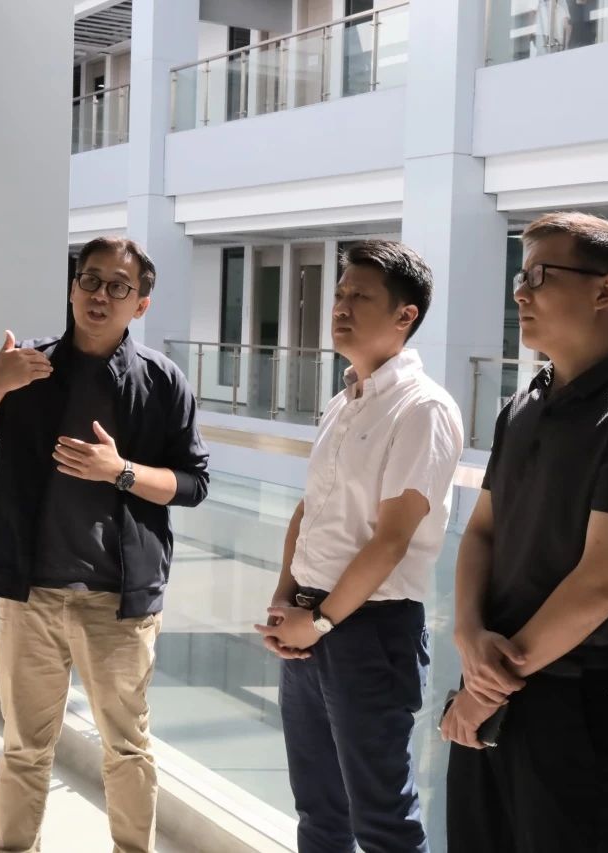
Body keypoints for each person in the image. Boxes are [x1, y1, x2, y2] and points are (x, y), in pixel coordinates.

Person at [0, 236, 209, 853]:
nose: (100, 294)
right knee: (25, 748)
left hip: (120, 601)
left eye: (118, 286)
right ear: (72, 286)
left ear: (140, 304)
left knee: (127, 749)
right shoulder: (25, 368)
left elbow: (193, 484)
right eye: (90, 279)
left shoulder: (162, 381)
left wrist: (122, 472)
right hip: (31, 593)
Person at [440, 212, 608, 852]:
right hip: (491, 680)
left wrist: (486, 686)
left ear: (605, 290)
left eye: (538, 276)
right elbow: (482, 533)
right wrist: (468, 636)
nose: (519, 293)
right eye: (519, 277)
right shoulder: (523, 404)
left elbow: (603, 582)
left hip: (576, 702)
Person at [255, 240, 464, 853]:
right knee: (318, 812)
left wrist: (319, 621)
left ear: (405, 315)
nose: (340, 307)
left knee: (382, 821)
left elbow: (391, 540)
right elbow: (310, 510)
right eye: (340, 294)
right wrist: (285, 602)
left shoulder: (423, 408)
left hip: (370, 631)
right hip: (309, 619)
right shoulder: (344, 401)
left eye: (360, 297)